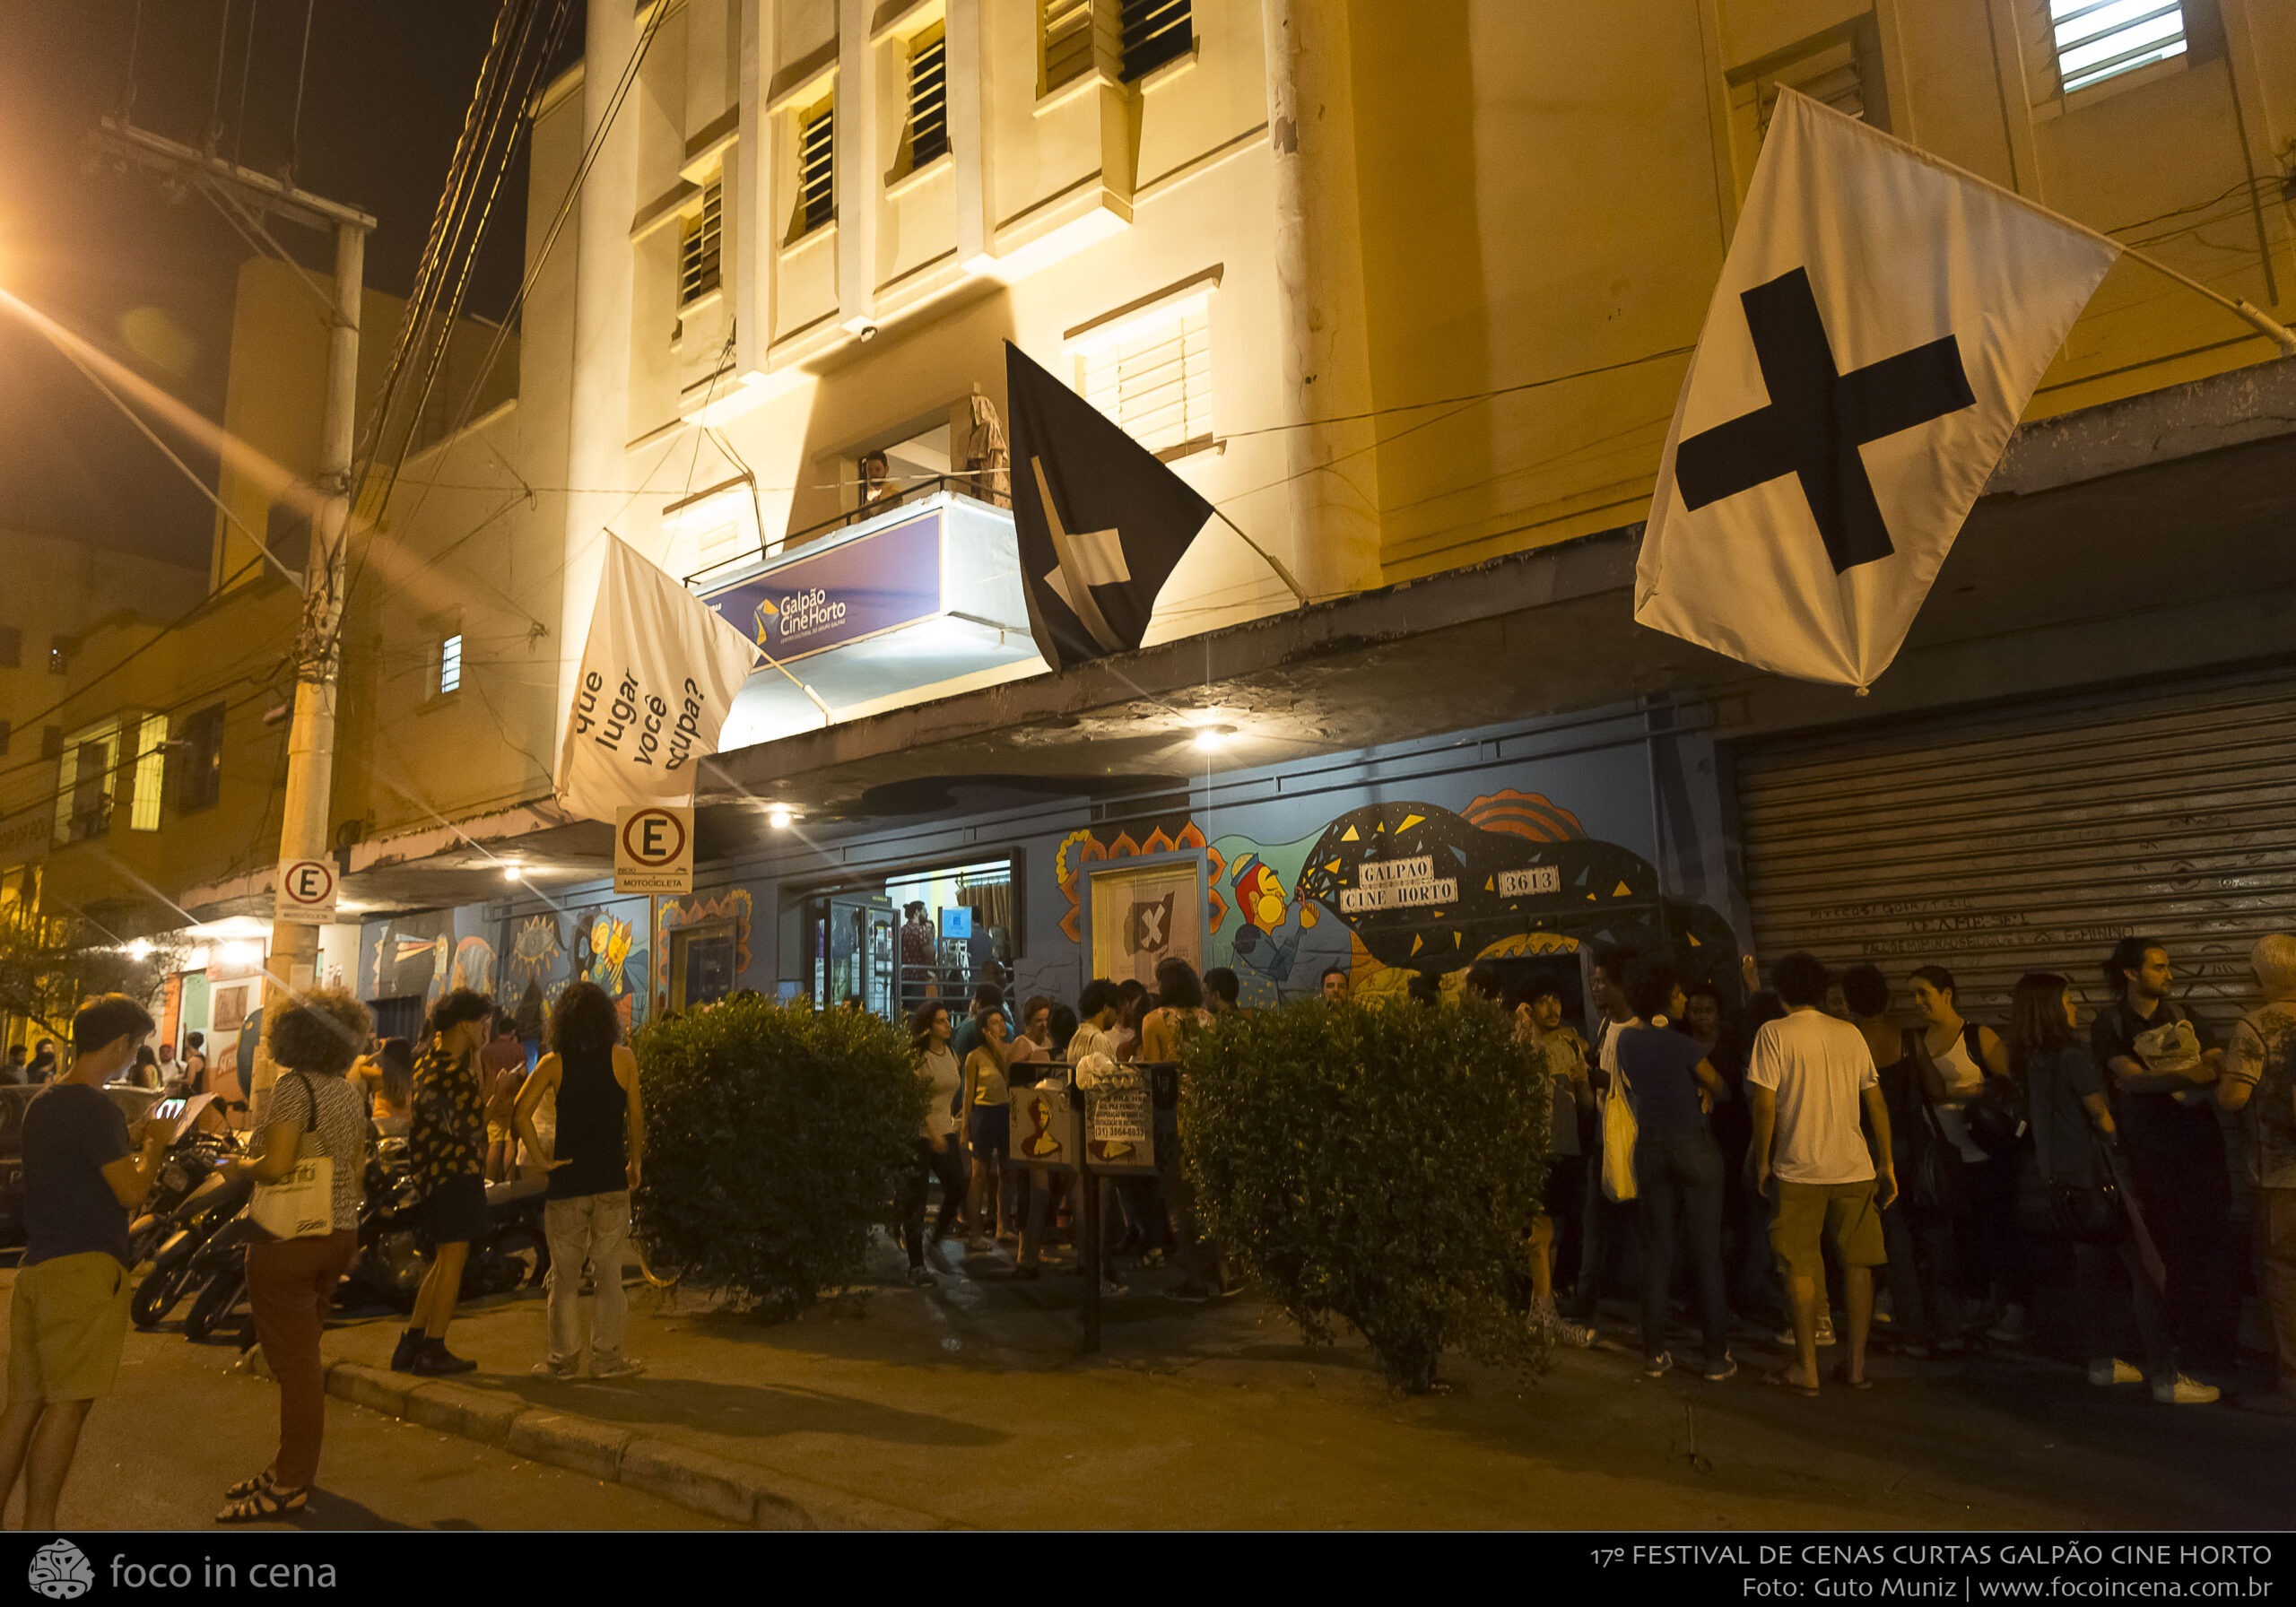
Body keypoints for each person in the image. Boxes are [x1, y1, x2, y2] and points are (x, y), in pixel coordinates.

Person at [0, 995, 170, 1529]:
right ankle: (40, 1531)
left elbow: (79, 1165)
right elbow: (132, 1192)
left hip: (38, 1268)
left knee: (23, 1405)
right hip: (85, 1272)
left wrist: (134, 1137)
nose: (133, 1056)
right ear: (121, 1043)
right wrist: (159, 1146)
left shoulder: (44, 1104)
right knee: (68, 1405)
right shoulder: (95, 1107)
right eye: (135, 1046)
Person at [2014, 972, 2217, 1405]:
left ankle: (2102, 1363)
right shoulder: (2072, 1057)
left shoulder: (2030, 1060)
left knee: (2089, 1272)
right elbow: (2103, 1120)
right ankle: (2165, 1376)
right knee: (2148, 1270)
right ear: (2052, 1007)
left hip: (2063, 1184)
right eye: (2068, 1000)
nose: (2075, 1008)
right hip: (2099, 1181)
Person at [217, 988, 374, 1521]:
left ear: (293, 1035)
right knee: (303, 1356)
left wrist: (237, 1166)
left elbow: (278, 1164)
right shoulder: (349, 1091)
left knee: (296, 1367)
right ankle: (288, 1465)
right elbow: (353, 1164)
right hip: (338, 1233)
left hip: (288, 1236)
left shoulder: (292, 1087)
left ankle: (291, 1482)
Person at [1747, 951, 1896, 1395]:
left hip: (1798, 1170)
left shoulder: (1773, 1033)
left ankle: (1807, 1368)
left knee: (1800, 1265)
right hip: (1854, 1167)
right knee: (1858, 1264)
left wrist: (1761, 1161)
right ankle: (1855, 1368)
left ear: (1780, 992)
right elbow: (1876, 1101)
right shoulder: (1849, 1032)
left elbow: (1764, 1104)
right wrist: (1886, 1162)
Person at [2091, 938, 2236, 1373]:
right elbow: (2127, 1080)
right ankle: (2174, 1340)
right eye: (2159, 967)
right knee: (2165, 1244)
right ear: (2130, 974)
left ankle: (2214, 1343)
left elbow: (2215, 1069)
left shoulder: (2186, 1016)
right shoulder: (2111, 1023)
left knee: (2211, 1242)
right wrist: (2188, 1074)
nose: (2169, 975)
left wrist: (2161, 1077)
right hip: (2150, 1152)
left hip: (2201, 1146)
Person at [515, 981, 646, 1381]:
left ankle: (562, 1361)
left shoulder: (554, 1063)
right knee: (609, 1277)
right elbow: (636, 1118)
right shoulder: (623, 1059)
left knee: (565, 1277)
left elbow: (520, 1113)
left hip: (568, 1183)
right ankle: (607, 1360)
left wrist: (541, 1159)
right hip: (609, 1180)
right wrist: (635, 1162)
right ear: (607, 1019)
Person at [1616, 957, 1735, 1380]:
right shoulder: (1683, 1045)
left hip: (1650, 1148)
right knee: (1706, 1252)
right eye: (1680, 993)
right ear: (1667, 997)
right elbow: (1720, 1087)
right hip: (1693, 1147)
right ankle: (1716, 1357)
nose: (1686, 999)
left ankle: (1654, 1354)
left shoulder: (1627, 1042)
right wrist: (1704, 1088)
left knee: (1659, 1251)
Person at [1842, 965, 1961, 1356]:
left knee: (1897, 1246)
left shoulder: (1848, 1044)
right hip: (1916, 1151)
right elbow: (1936, 1088)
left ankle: (1913, 1332)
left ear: (1848, 1003)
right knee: (1934, 1237)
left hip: (1873, 1154)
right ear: (1888, 999)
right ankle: (1948, 1326)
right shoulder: (1908, 1039)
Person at [1907, 964, 2029, 1345]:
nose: (1917, 1003)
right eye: (1913, 995)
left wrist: (1965, 1094)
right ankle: (1976, 1304)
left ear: (1947, 994)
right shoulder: (1917, 1041)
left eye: (1924, 993)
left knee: (2000, 1233)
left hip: (1989, 1155)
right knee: (1966, 1233)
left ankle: (2013, 1309)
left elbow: (2012, 1088)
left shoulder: (1978, 1036)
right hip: (1947, 1159)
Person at [395, 990, 494, 1376]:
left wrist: (481, 1066)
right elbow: (471, 1127)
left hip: (433, 1175)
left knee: (440, 1261)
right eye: (482, 1024)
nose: (486, 1031)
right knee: (453, 1260)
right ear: (466, 1025)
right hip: (455, 1175)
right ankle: (434, 1347)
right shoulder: (452, 1071)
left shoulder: (426, 1064)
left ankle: (413, 1342)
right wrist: (498, 1096)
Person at [2219, 934, 2296, 1415]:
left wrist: (2213, 1073)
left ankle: (2291, 1384)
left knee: (2283, 1278)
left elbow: (2234, 1098)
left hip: (2280, 1177)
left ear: (2260, 977)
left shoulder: (2257, 1024)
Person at [1516, 979, 1595, 1347]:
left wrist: (1583, 1088)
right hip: (1535, 1148)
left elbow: (1585, 1103)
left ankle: (1539, 1309)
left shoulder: (1570, 1044)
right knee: (1540, 1229)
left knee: (1554, 1231)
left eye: (1557, 999)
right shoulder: (1521, 1044)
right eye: (1543, 1000)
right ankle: (1547, 1312)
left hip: (1568, 1147)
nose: (1552, 1008)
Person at [1568, 945, 1640, 1333]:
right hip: (1601, 1137)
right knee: (1593, 1221)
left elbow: (1639, 1088)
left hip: (1628, 1142)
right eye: (1592, 981)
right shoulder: (1604, 1026)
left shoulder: (1640, 1029)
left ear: (1619, 985)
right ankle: (1586, 1295)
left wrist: (1597, 1079)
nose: (1595, 988)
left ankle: (1650, 1298)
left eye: (1601, 981)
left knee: (1637, 1222)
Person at [900, 1003, 967, 1282]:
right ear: (928, 1026)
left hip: (945, 1129)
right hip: (920, 1134)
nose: (947, 1025)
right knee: (916, 1200)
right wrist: (931, 1130)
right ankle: (917, 1266)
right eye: (941, 1021)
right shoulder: (918, 1057)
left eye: (948, 1020)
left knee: (959, 1185)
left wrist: (956, 1118)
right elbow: (914, 1099)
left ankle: (935, 1240)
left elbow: (950, 1091)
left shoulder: (951, 1053)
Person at [961, 1005, 1014, 1248]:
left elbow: (1008, 1077)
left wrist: (1000, 1051)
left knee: (1007, 1171)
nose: (1000, 1026)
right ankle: (975, 1232)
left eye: (1002, 1021)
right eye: (994, 1022)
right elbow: (967, 1094)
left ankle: (1003, 1227)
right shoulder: (975, 1057)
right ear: (984, 1029)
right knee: (979, 1174)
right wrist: (964, 1128)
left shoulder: (1009, 1051)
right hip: (983, 1113)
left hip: (1005, 1112)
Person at [481, 1012, 527, 1185]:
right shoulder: (518, 1049)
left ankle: (489, 1183)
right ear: (513, 1032)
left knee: (494, 1143)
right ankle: (508, 1185)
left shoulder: (486, 1050)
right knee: (510, 1142)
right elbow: (523, 1073)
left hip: (492, 1103)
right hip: (512, 1103)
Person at [369, 1038, 414, 1139]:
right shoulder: (414, 1080)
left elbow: (359, 1065)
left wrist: (380, 1051)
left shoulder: (378, 1077)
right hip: (406, 1134)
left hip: (381, 1132)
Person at [900, 902, 935, 1016]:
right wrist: (930, 939)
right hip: (918, 980)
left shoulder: (901, 930)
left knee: (906, 1013)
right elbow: (930, 953)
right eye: (924, 911)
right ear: (916, 912)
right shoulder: (920, 931)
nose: (926, 914)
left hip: (903, 978)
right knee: (918, 1014)